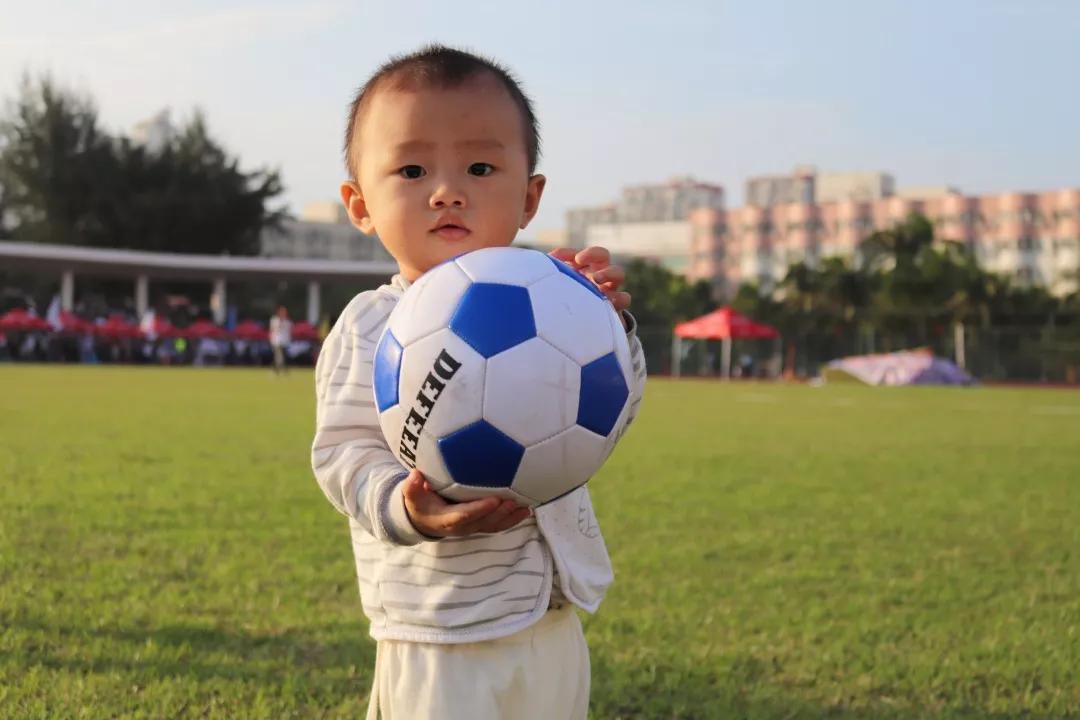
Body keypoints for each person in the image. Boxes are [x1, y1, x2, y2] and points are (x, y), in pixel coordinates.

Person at [311, 45, 647, 720]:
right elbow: (341, 452)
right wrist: (406, 509)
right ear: (360, 205)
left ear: (529, 197)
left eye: (480, 167)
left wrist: (610, 327)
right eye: (411, 169)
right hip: (440, 631)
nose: (447, 191)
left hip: (550, 617)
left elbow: (614, 406)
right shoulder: (371, 324)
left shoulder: (557, 298)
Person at [269, 305, 292, 375]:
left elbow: (288, 332)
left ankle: (278, 370)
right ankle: (278, 370)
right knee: (279, 356)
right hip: (277, 341)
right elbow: (272, 330)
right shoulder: (274, 320)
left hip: (285, 341)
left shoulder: (288, 322)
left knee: (283, 356)